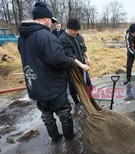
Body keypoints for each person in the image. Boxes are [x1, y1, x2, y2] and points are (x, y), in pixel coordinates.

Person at [18, 2, 89, 142]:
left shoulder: (22, 37)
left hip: (35, 86)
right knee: (64, 114)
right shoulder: (44, 35)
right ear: (45, 18)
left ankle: (55, 138)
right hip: (53, 86)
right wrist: (70, 63)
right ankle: (70, 138)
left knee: (47, 116)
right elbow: (57, 59)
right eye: (51, 20)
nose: (51, 23)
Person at [59, 19, 92, 107]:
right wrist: (82, 65)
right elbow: (70, 55)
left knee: (88, 84)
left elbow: (83, 49)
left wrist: (87, 58)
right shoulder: (63, 39)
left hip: (82, 65)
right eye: (75, 30)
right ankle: (77, 102)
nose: (76, 32)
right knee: (74, 86)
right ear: (69, 29)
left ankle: (89, 98)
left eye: (78, 30)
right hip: (71, 67)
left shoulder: (79, 36)